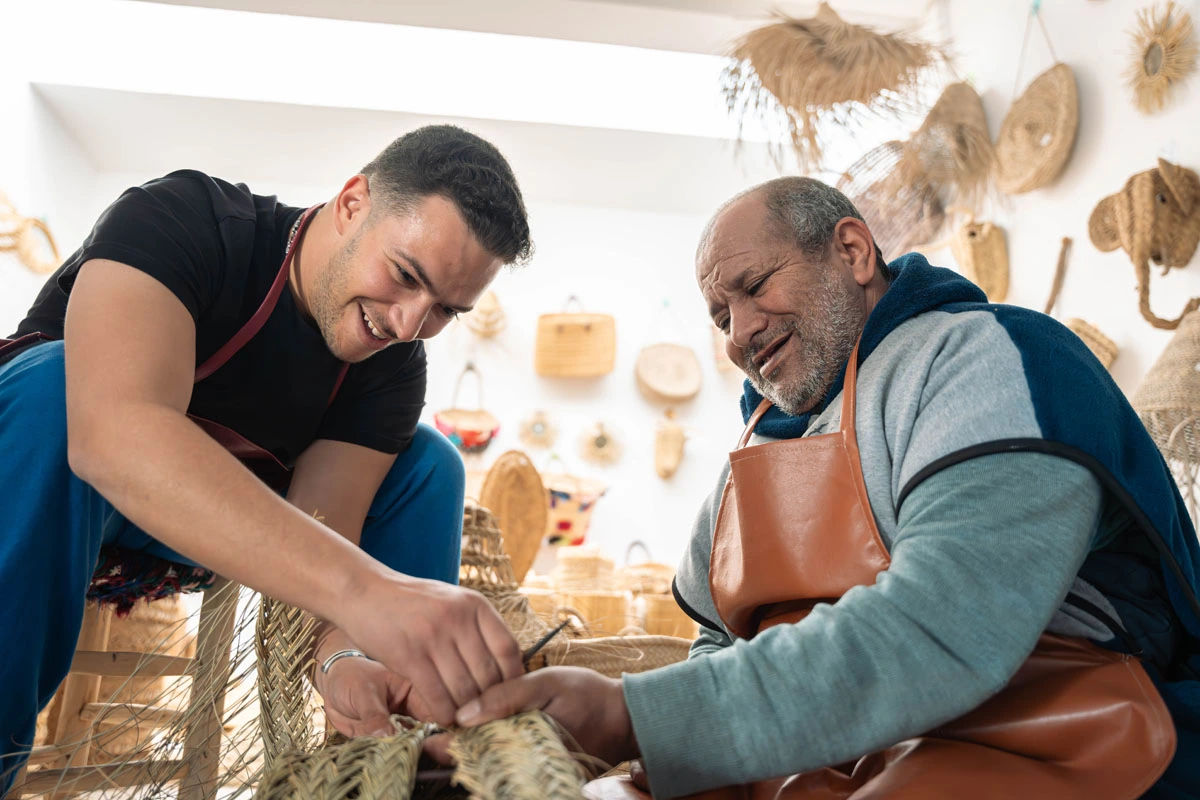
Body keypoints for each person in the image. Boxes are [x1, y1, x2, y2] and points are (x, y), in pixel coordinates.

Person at [457, 177, 1200, 799]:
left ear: (852, 251)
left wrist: (634, 716)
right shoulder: (756, 443)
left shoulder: (985, 357)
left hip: (1058, 745)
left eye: (755, 287)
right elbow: (718, 642)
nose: (739, 331)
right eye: (721, 315)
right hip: (826, 760)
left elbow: (940, 632)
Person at [0, 124, 531, 790]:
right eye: (404, 275)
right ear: (352, 204)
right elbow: (111, 436)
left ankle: (387, 767)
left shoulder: (392, 365)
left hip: (181, 534)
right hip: (36, 471)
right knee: (59, 383)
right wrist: (371, 591)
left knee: (428, 465)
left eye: (445, 310)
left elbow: (325, 536)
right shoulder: (186, 219)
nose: (407, 325)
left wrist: (341, 658)